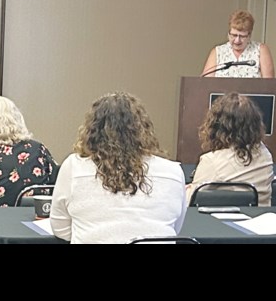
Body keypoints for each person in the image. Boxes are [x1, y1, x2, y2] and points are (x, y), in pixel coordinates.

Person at [50, 92, 187, 244]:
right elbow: (176, 227)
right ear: (143, 129)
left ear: (92, 131)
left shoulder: (74, 167)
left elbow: (60, 228)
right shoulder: (173, 171)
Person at [186, 92, 273, 206]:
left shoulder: (212, 161)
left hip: (220, 221)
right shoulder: (265, 155)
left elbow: (190, 202)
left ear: (216, 126)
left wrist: (186, 190)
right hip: (258, 218)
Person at [202, 9, 275, 78]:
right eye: (234, 35)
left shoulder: (261, 50)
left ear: (249, 35)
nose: (237, 40)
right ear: (228, 33)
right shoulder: (217, 52)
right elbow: (205, 84)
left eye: (242, 36)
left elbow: (269, 85)